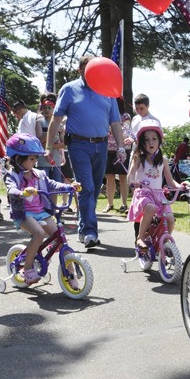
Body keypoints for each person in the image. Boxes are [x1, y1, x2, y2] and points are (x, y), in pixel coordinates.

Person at [44, 55, 125, 248]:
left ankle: (83, 228)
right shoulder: (69, 89)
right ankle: (90, 232)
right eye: (89, 69)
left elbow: (115, 122)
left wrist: (121, 147)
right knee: (87, 187)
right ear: (81, 71)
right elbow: (56, 119)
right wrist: (48, 147)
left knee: (95, 189)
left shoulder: (107, 91)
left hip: (102, 145)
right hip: (78, 145)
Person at [5, 133, 81, 286]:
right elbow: (11, 189)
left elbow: (53, 184)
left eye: (35, 158)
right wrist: (21, 192)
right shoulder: (12, 175)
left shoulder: (39, 174)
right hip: (24, 214)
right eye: (31, 159)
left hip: (41, 212)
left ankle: (71, 274)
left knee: (59, 237)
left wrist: (68, 186)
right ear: (18, 158)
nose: (35, 161)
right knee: (39, 233)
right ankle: (26, 269)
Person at [127, 120, 182, 251]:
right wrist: (132, 182)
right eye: (147, 140)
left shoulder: (163, 160)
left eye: (154, 139)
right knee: (151, 209)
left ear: (159, 141)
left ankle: (165, 241)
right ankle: (140, 237)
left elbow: (170, 181)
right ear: (142, 143)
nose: (151, 142)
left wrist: (181, 186)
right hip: (143, 193)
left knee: (170, 218)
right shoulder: (138, 158)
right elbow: (131, 174)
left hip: (158, 194)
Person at [103, 108, 133, 213]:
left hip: (123, 149)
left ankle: (124, 204)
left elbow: (126, 132)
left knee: (123, 177)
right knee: (109, 178)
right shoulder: (105, 113)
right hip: (108, 150)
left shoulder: (125, 116)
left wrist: (114, 129)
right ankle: (110, 203)